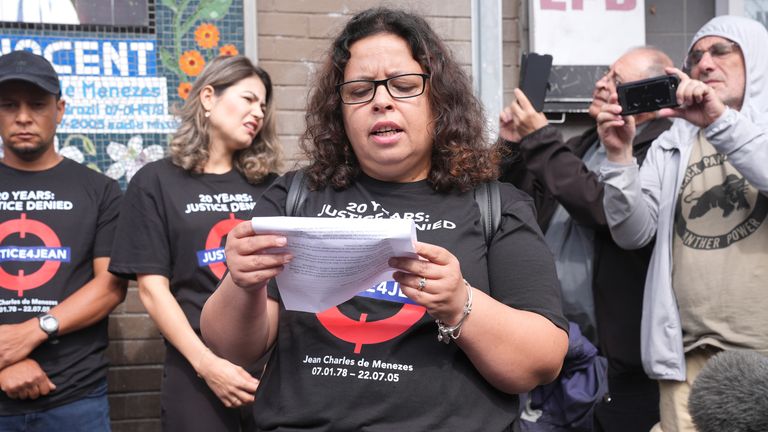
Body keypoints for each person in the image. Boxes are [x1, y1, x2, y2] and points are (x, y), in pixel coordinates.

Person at [200, 7, 569, 431]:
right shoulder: (293, 197)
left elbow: (541, 362)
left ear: (438, 99)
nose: (381, 101)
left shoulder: (495, 206)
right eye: (359, 91)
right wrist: (242, 283)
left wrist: (460, 303)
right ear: (338, 110)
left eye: (404, 85)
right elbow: (232, 348)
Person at [597, 16, 768, 432]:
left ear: (757, 59)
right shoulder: (672, 141)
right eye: (695, 56)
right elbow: (633, 233)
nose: (705, 63)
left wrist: (720, 122)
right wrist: (619, 158)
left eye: (721, 51)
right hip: (685, 355)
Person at [499, 47, 673, 432]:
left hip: (615, 354)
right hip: (556, 340)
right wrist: (513, 146)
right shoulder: (583, 144)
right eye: (605, 75)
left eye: (616, 80)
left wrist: (542, 139)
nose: (600, 85)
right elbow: (523, 204)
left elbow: (605, 210)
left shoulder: (661, 150)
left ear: (651, 95)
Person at [108, 55, 282, 432]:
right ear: (208, 97)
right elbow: (153, 291)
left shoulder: (274, 187)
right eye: (249, 99)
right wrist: (207, 365)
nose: (258, 112)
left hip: (269, 367)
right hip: (195, 366)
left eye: (263, 105)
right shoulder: (155, 182)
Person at [0, 51, 125, 431]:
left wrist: (31, 332)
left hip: (76, 396)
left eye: (37, 104)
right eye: (9, 105)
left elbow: (110, 287)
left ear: (60, 109)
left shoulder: (101, 190)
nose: (23, 117)